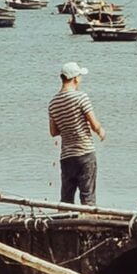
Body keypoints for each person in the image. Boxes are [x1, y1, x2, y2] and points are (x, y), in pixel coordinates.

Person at [46, 62, 105, 204]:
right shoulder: (81, 97)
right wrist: (101, 131)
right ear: (75, 78)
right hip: (85, 153)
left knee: (66, 199)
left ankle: (65, 218)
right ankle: (89, 218)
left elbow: (53, 132)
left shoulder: (53, 103)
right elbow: (94, 124)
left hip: (67, 156)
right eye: (80, 76)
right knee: (87, 197)